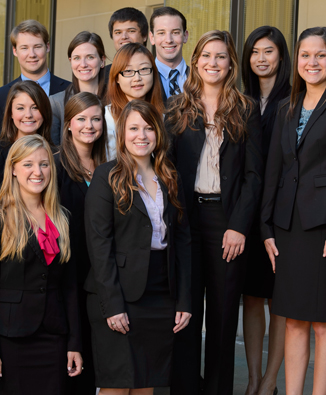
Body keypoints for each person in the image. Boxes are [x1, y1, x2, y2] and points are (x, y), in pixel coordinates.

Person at [261, 26, 326, 395]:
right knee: (292, 320)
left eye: (320, 55)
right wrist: (266, 227)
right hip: (288, 228)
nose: (312, 62)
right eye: (305, 55)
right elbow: (274, 171)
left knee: (324, 323)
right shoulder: (285, 107)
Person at [166, 30, 263, 395]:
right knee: (186, 314)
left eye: (221, 56)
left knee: (223, 316)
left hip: (227, 221)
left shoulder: (246, 109)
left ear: (230, 63)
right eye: (206, 55)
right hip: (187, 220)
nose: (213, 62)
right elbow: (168, 170)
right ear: (195, 61)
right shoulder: (176, 108)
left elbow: (255, 176)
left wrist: (239, 226)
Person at [85, 99, 192, 394]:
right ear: (122, 134)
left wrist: (183, 299)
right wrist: (113, 305)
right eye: (133, 128)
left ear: (158, 133)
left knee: (148, 386)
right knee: (116, 387)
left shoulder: (171, 177)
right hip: (119, 294)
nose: (141, 136)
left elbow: (183, 243)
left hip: (161, 295)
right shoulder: (105, 177)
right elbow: (99, 245)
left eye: (148, 128)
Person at [0, 134, 83, 395]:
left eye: (44, 164)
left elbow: (70, 287)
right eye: (28, 164)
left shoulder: (62, 218)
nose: (38, 172)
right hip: (10, 339)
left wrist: (74, 343)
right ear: (13, 168)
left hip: (54, 338)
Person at [240, 25, 292, 395]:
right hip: (246, 212)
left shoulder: (294, 100)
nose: (261, 58)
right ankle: (254, 377)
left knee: (280, 298)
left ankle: (272, 379)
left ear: (281, 57)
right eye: (255, 51)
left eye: (269, 51)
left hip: (281, 215)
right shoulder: (240, 100)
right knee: (252, 296)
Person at [54, 92, 107, 394]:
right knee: (72, 363)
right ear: (69, 125)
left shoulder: (109, 166)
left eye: (96, 119)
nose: (90, 125)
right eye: (82, 119)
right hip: (68, 275)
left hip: (99, 277)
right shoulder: (56, 166)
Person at [0, 19, 70, 126]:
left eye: (37, 47)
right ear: (15, 51)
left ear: (47, 47)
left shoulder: (70, 90)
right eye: (24, 48)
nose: (32, 54)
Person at [105, 43, 164, 160]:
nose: (137, 78)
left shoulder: (163, 117)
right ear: (117, 77)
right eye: (128, 71)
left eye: (144, 69)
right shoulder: (105, 117)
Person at [0, 80, 53, 195]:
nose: (28, 115)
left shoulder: (55, 155)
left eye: (35, 108)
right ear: (11, 113)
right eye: (20, 108)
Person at [49, 31, 107, 145]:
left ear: (102, 60)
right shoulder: (56, 103)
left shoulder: (116, 98)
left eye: (90, 57)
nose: (83, 64)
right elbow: (53, 151)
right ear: (71, 62)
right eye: (77, 58)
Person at [148, 6, 189, 103]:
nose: (168, 40)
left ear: (185, 36)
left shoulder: (200, 78)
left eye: (175, 32)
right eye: (161, 33)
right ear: (152, 37)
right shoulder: (142, 79)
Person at [104, 7, 149, 80]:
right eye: (118, 32)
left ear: (144, 36)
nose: (124, 37)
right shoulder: (102, 76)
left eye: (131, 31)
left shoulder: (157, 72)